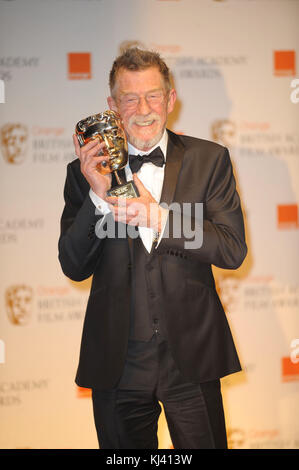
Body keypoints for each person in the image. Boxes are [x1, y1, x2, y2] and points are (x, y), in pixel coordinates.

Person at [58, 48, 247, 449]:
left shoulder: (209, 160)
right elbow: (73, 265)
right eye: (129, 98)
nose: (143, 109)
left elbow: (231, 250)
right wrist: (96, 197)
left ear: (171, 99)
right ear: (112, 106)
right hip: (117, 365)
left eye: (153, 96)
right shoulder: (83, 173)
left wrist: (158, 218)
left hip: (191, 361)